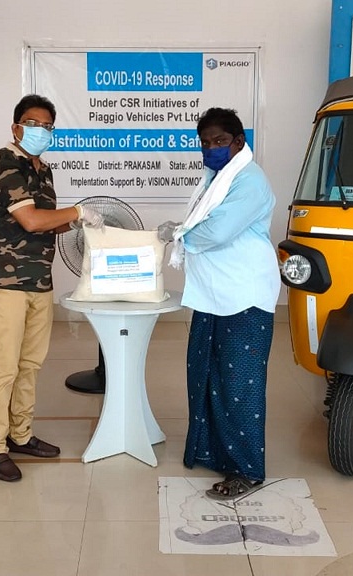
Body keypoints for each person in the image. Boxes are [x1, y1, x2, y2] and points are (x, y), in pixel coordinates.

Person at [0, 94, 103, 482]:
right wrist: (79, 210)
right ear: (16, 127)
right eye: (33, 124)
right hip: (4, 283)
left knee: (30, 365)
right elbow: (30, 220)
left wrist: (78, 224)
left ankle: (21, 434)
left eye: (48, 126)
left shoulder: (43, 170)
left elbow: (49, 221)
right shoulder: (2, 161)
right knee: (3, 368)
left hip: (38, 281)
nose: (41, 131)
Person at [157, 107, 280, 500]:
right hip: (214, 294)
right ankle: (212, 450)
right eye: (205, 142)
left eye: (219, 141)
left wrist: (178, 234)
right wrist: (182, 233)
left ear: (239, 141)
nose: (211, 148)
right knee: (205, 373)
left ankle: (246, 470)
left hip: (244, 296)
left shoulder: (250, 181)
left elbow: (219, 230)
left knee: (238, 384)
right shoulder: (215, 178)